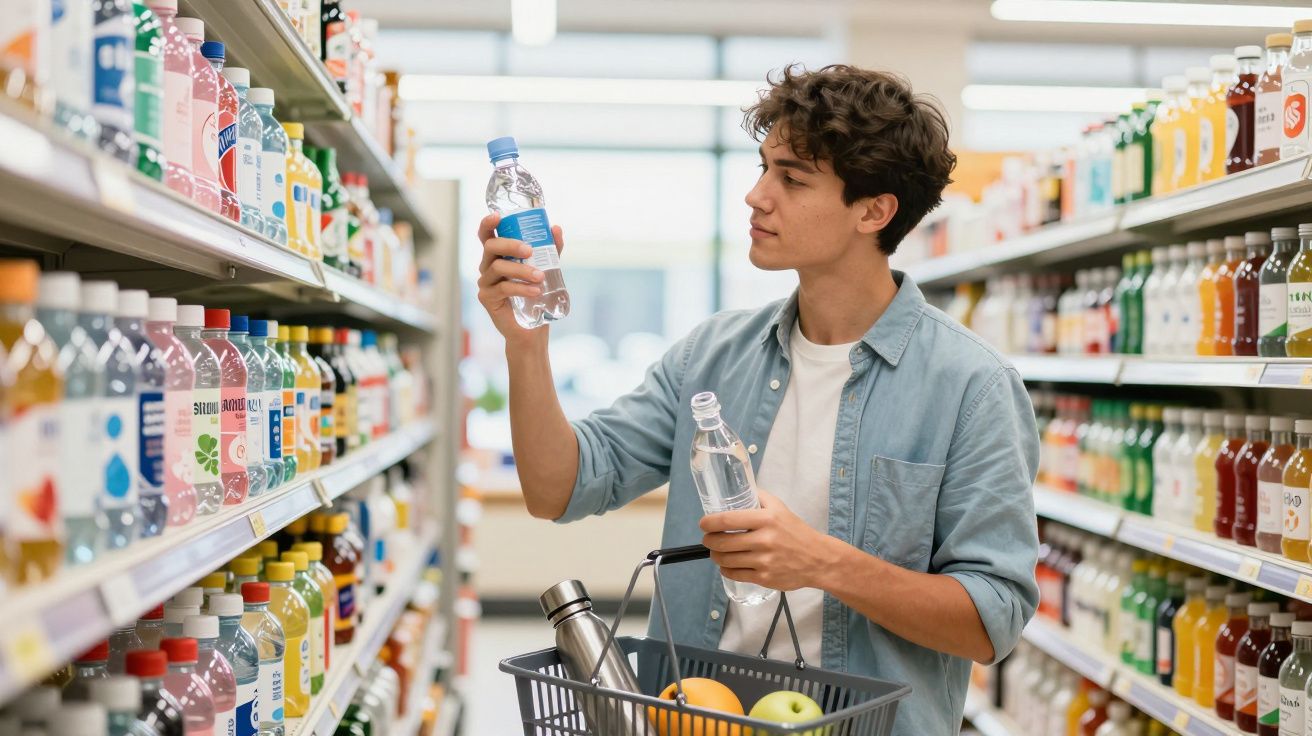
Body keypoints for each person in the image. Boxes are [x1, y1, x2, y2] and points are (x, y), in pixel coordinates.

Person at [476, 64, 1039, 735]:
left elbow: (990, 622)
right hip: (692, 718)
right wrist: (525, 344)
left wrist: (822, 562)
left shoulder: (970, 388)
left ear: (874, 210)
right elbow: (557, 488)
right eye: (762, 167)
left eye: (791, 178)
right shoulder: (711, 357)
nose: (755, 195)